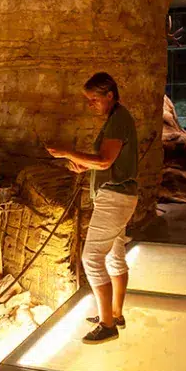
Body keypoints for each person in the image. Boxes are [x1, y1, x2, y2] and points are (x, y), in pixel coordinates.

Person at [46, 72, 138, 344]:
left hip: (114, 198)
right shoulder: (117, 118)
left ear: (110, 95)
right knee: (114, 257)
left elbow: (105, 161)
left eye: (94, 99)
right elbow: (108, 161)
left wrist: (67, 153)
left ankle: (108, 325)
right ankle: (115, 314)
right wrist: (83, 165)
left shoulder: (118, 120)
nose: (91, 105)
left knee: (92, 258)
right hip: (120, 196)